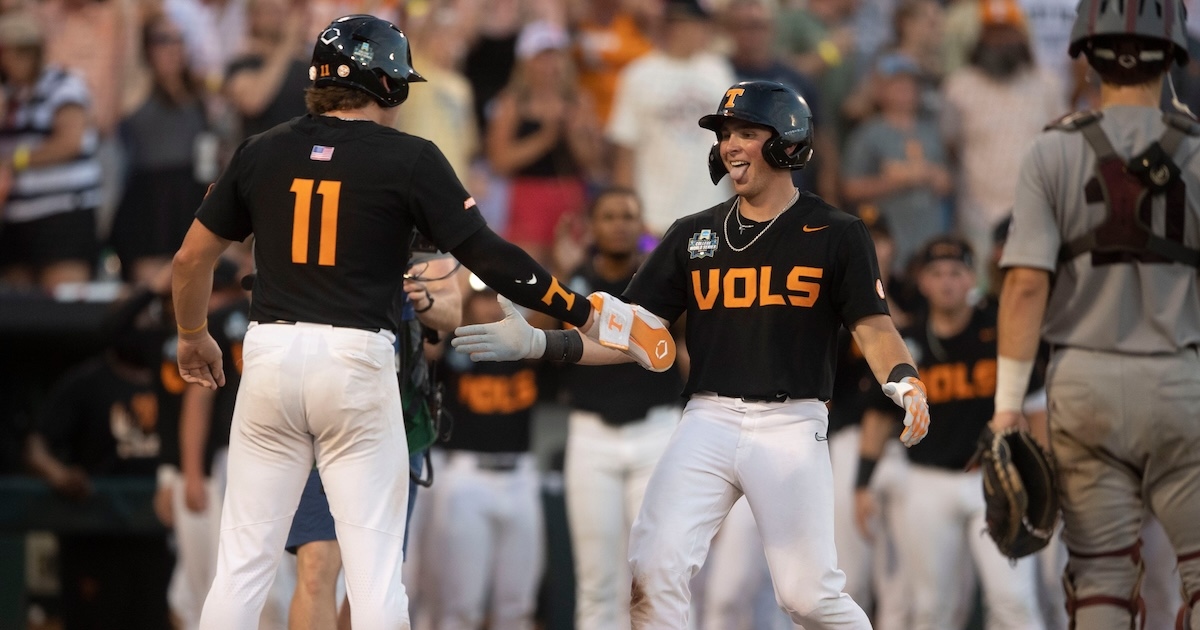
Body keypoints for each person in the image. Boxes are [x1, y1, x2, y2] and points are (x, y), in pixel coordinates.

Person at [171, 15, 666, 627]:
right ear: (388, 84)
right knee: (376, 571)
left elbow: (190, 259)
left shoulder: (261, 149)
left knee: (241, 569)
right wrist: (587, 311)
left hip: (269, 354)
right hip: (355, 360)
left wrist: (192, 336)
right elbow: (490, 257)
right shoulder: (408, 158)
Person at [452, 79, 931, 629]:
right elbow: (633, 333)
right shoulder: (692, 233)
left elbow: (873, 325)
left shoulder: (837, 231)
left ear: (788, 143)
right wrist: (542, 342)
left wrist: (904, 379)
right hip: (707, 415)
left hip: (791, 420)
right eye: (726, 134)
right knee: (652, 569)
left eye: (746, 133)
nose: (730, 146)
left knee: (806, 597)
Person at [991, 0, 1200, 625]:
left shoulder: (1051, 151)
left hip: (1084, 384)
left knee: (1102, 576)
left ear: (1084, 53)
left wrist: (1006, 410)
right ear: (1172, 58)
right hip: (1182, 379)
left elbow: (1025, 286)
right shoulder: (1196, 149)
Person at [858, 236, 1047, 630]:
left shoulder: (999, 332)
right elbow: (877, 417)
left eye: (956, 273)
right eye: (936, 273)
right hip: (926, 480)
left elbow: (1034, 406)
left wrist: (1044, 471)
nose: (946, 282)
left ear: (971, 279)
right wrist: (861, 485)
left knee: (1014, 601)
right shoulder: (906, 343)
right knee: (931, 609)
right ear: (923, 282)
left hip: (994, 479)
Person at [285, 250, 462, 630]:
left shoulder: (422, 239)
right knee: (316, 567)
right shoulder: (322, 220)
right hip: (321, 418)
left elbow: (449, 319)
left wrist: (423, 300)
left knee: (370, 583)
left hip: (400, 423)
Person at [552, 187, 685, 630]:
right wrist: (559, 269)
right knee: (597, 579)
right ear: (591, 226)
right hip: (592, 436)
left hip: (657, 432)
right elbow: (539, 337)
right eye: (608, 216)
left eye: (629, 215)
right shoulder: (573, 282)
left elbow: (685, 346)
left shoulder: (662, 282)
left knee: (660, 573)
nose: (619, 224)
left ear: (642, 224)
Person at [0, 10, 104, 293]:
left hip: (63, 213)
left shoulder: (62, 84)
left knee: (62, 303)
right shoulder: (10, 95)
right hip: (18, 217)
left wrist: (16, 160)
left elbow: (70, 142)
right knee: (20, 311)